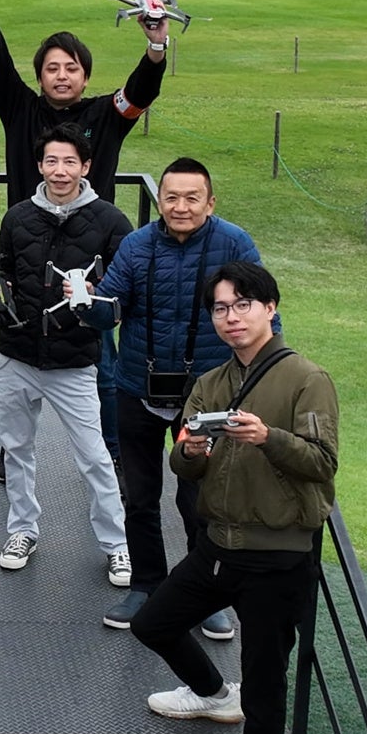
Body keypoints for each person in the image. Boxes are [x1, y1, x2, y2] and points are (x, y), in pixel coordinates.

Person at [130, 263, 339, 734]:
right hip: (217, 543)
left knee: (266, 675)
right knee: (153, 623)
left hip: (278, 554)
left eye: (242, 304)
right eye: (220, 308)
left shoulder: (305, 379)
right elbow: (182, 462)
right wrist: (193, 449)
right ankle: (215, 694)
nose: (231, 317)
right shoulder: (213, 382)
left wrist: (267, 437)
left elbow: (323, 464)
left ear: (271, 307)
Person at [97, 154, 263, 625]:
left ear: (211, 202)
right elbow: (112, 302)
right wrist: (89, 306)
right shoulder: (136, 244)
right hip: (137, 386)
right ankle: (146, 585)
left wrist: (268, 377)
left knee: (199, 499)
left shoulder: (235, 244)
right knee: (141, 495)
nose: (181, 206)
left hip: (208, 395)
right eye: (171, 197)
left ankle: (203, 594)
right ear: (159, 199)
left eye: (192, 198)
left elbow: (260, 316)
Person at [0, 131, 133, 582]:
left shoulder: (110, 221)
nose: (60, 171)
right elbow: (4, 271)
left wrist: (96, 295)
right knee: (17, 449)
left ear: (86, 167)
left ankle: (117, 544)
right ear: (40, 166)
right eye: (51, 161)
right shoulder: (17, 217)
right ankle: (22, 529)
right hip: (16, 355)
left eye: (70, 162)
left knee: (94, 455)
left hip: (74, 360)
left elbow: (123, 291)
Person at [0, 0, 169, 205]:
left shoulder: (107, 115)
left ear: (86, 78)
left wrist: (157, 43)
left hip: (93, 239)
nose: (62, 76)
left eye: (71, 68)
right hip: (28, 237)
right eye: (52, 69)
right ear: (40, 79)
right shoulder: (21, 111)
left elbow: (141, 91)